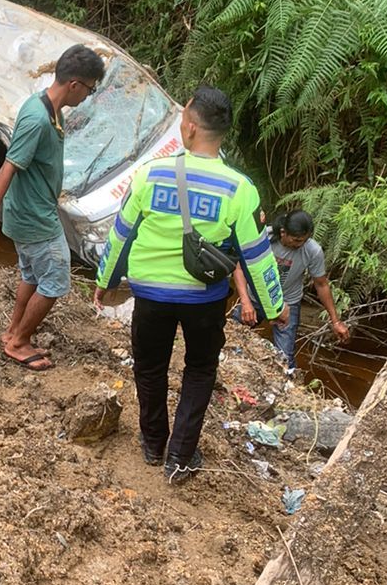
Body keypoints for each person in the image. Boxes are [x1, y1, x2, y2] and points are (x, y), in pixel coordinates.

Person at [93, 85, 287, 483]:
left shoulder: (149, 174)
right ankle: (179, 456)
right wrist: (275, 307)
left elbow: (121, 235)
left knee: (150, 367)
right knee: (199, 370)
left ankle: (152, 443)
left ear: (192, 127)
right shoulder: (239, 189)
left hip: (150, 295)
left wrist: (105, 280)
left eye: (183, 117)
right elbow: (257, 255)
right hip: (203, 298)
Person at [0, 44, 105, 371]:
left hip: (34, 209)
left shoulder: (48, 108)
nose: (87, 97)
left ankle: (13, 332)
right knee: (56, 281)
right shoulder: (38, 119)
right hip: (35, 218)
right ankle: (19, 342)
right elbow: (8, 167)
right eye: (89, 90)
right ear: (74, 84)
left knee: (32, 274)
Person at [232, 210, 350, 372]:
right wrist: (245, 302)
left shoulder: (312, 251)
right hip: (255, 298)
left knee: (284, 358)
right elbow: (239, 267)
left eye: (304, 240)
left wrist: (335, 321)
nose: (300, 244)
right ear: (283, 232)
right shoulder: (263, 237)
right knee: (231, 333)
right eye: (296, 240)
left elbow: (321, 285)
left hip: (288, 304)